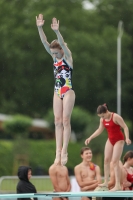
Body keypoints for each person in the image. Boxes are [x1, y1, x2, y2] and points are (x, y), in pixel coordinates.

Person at [36, 14, 75, 166]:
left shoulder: (68, 57)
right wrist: (40, 28)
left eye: (56, 52)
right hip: (57, 91)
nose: (53, 55)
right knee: (57, 121)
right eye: (52, 53)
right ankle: (58, 152)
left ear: (61, 50)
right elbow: (45, 43)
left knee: (65, 120)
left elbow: (63, 46)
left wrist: (57, 32)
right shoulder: (54, 57)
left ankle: (65, 150)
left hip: (68, 91)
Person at [85, 104, 131, 191]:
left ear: (106, 111)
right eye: (101, 116)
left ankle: (117, 185)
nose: (103, 118)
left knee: (114, 161)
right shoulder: (102, 119)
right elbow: (99, 130)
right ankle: (106, 182)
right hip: (110, 139)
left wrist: (127, 138)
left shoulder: (116, 117)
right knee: (106, 160)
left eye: (103, 115)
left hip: (119, 140)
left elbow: (125, 127)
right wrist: (90, 137)